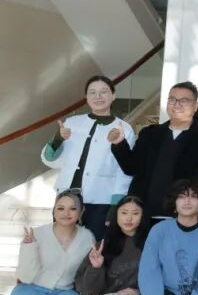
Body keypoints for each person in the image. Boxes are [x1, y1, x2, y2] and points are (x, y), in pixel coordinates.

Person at [42, 75, 135, 238]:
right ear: (86, 97)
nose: (98, 96)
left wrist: (116, 203)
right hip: (66, 198)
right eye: (92, 92)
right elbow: (49, 159)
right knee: (62, 243)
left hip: (101, 199)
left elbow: (124, 171)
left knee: (94, 244)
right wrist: (58, 139)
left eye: (103, 92)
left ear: (113, 95)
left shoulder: (123, 129)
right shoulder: (72, 123)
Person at [111, 81, 198, 220]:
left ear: (196, 106)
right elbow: (131, 168)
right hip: (145, 214)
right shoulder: (150, 134)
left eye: (184, 101)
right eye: (172, 99)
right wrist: (119, 143)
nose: (176, 104)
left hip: (183, 217)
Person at [9, 191, 96, 295]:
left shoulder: (87, 237)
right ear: (54, 210)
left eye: (72, 209)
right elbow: (24, 276)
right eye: (60, 208)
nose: (66, 213)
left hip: (63, 292)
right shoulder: (37, 233)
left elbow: (85, 273)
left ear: (81, 211)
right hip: (31, 289)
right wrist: (28, 248)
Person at [77, 195, 150, 295]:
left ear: (143, 216)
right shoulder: (103, 244)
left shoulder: (151, 243)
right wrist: (95, 267)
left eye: (135, 213)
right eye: (124, 213)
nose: (129, 218)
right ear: (116, 215)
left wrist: (138, 291)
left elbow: (160, 278)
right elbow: (86, 288)